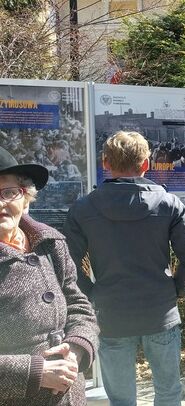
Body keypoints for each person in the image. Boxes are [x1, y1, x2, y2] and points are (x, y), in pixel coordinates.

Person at [63, 131, 185, 406]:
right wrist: (175, 290)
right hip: (160, 311)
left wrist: (92, 294)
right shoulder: (168, 203)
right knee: (168, 392)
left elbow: (66, 264)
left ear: (105, 163)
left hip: (110, 314)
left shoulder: (84, 207)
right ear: (145, 165)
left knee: (122, 400)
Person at [0, 146, 98, 405]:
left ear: (25, 197)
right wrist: (34, 372)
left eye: (9, 192)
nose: (0, 203)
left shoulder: (50, 243)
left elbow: (78, 305)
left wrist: (76, 350)